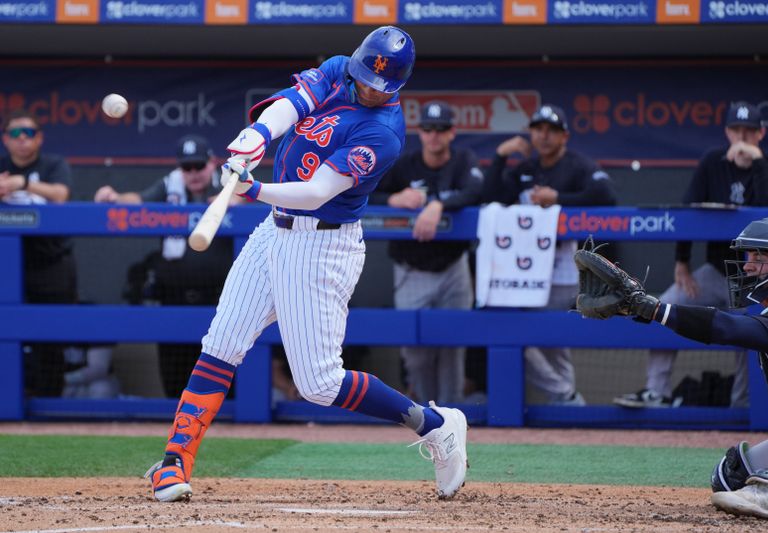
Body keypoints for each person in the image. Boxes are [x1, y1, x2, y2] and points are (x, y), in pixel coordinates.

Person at [144, 26, 468, 503]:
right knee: (222, 342)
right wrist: (255, 136)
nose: (366, 86)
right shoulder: (340, 69)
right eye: (362, 75)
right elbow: (291, 106)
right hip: (273, 232)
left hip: (322, 247)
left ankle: (435, 425)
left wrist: (252, 190)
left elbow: (318, 192)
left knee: (318, 384)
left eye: (378, 83)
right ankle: (175, 460)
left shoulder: (383, 134)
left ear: (397, 85)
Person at [574, 216, 768, 522]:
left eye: (759, 258)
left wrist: (654, 308)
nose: (747, 266)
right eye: (749, 256)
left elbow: (728, 328)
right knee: (730, 476)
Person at [614, 101, 768, 409]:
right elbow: (689, 208)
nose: (742, 138)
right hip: (715, 270)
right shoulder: (713, 161)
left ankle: (742, 405)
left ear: (761, 133)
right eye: (736, 130)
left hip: (760, 277)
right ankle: (657, 391)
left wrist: (757, 162)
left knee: (752, 334)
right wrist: (682, 262)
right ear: (727, 131)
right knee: (665, 304)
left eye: (749, 131)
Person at [484, 104, 616, 406]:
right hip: (522, 269)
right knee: (518, 335)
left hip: (561, 266)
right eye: (538, 129)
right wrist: (501, 157)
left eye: (551, 131)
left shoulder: (577, 165)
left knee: (553, 340)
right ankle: (565, 396)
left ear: (564, 136)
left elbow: (607, 195)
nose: (543, 136)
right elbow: (489, 196)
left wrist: (559, 199)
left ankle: (566, 401)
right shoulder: (526, 168)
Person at [94, 135, 237, 398]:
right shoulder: (169, 185)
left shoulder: (229, 184)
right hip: (175, 297)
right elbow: (137, 201)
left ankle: (233, 434)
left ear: (211, 163)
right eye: (187, 167)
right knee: (176, 378)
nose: (193, 173)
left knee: (223, 378)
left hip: (221, 299)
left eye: (198, 166)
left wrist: (236, 201)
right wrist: (115, 196)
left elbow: (252, 206)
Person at [370, 101, 483, 405]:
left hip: (452, 268)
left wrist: (439, 204)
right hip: (412, 269)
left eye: (441, 129)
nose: (434, 135)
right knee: (416, 353)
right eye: (429, 129)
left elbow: (475, 190)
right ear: (420, 132)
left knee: (452, 349)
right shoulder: (404, 164)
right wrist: (393, 198)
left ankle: (451, 416)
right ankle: (428, 417)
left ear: (451, 133)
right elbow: (367, 191)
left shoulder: (462, 160)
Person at [1, 109, 77, 397]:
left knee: (51, 335)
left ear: (40, 138)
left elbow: (61, 194)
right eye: (16, 134)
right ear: (6, 139)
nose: (23, 140)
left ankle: (49, 400)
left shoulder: (53, 165)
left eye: (29, 133)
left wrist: (21, 182)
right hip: (7, 266)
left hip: (50, 263)